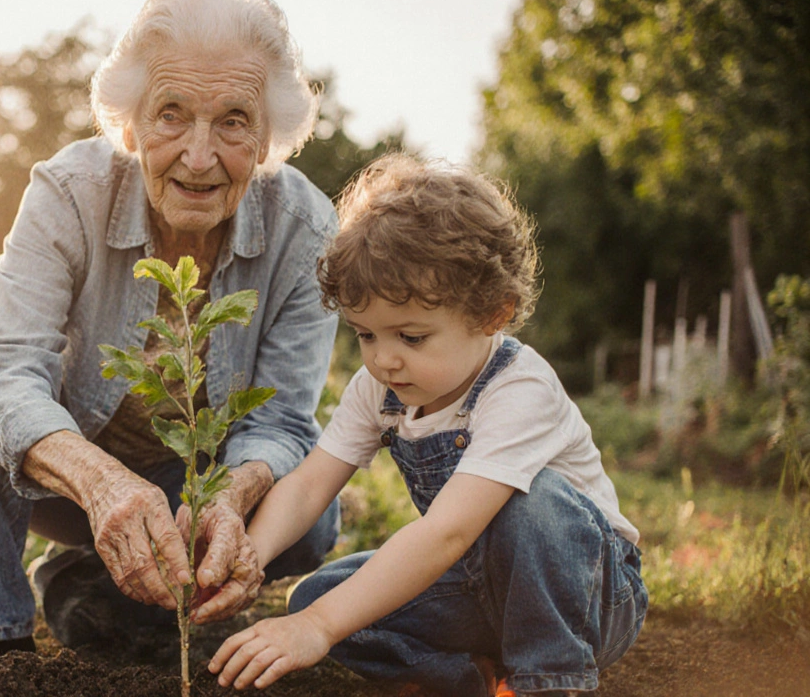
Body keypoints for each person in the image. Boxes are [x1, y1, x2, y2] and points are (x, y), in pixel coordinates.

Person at [0, 0, 340, 667]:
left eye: (233, 121)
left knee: (313, 516)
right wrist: (104, 483)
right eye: (171, 113)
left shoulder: (305, 229)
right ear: (129, 123)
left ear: (268, 140)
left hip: (198, 500)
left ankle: (98, 589)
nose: (199, 157)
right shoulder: (68, 192)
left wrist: (231, 497)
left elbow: (285, 421)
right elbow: (3, 370)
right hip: (65, 483)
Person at [208, 154, 647, 696]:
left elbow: (448, 532)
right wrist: (250, 556)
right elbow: (307, 484)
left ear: (493, 313)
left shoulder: (520, 389)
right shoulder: (380, 390)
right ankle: (470, 682)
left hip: (590, 593)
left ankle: (550, 678)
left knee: (533, 505)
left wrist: (318, 630)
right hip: (474, 585)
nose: (384, 359)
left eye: (411, 337)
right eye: (366, 335)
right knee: (313, 598)